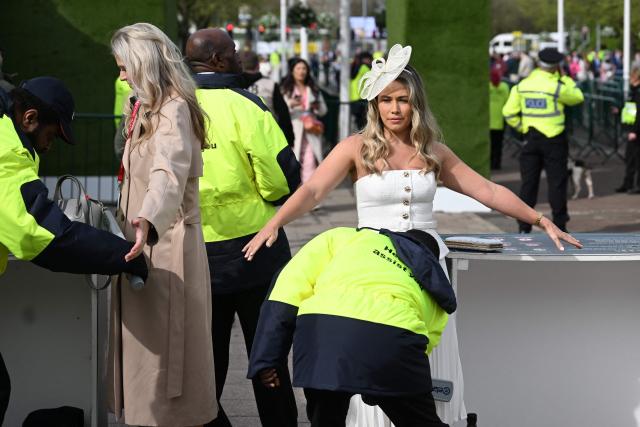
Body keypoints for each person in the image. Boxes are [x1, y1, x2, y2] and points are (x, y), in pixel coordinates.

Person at [243, 44, 583, 426]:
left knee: (421, 359)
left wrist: (541, 219)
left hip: (424, 269)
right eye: (386, 99)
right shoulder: (355, 148)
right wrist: (274, 221)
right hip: (370, 265)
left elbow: (487, 191)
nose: (394, 108)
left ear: (415, 103)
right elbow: (312, 191)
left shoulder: (434, 151)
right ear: (374, 104)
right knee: (371, 346)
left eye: (402, 100)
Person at [0, 77, 148, 425]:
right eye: (51, 136)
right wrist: (124, 255)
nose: (49, 148)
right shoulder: (8, 152)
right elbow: (39, 234)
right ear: (30, 118)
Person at [184, 28, 300, 427]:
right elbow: (281, 180)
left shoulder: (171, 107)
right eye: (232, 52)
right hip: (256, 250)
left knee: (207, 362)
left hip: (197, 254)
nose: (238, 57)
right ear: (217, 60)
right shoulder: (248, 106)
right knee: (267, 356)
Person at [109, 23, 216, 427]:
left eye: (124, 68)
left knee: (166, 371)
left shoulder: (173, 109)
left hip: (166, 250)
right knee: (147, 368)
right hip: (144, 244)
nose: (120, 77)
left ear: (145, 64)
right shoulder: (146, 105)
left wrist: (147, 219)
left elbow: (167, 172)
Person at [248, 227, 453, 427]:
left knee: (326, 420)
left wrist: (266, 358)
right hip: (393, 340)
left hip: (323, 334)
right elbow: (425, 344)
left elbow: (285, 292)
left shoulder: (341, 237)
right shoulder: (434, 287)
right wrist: (378, 385)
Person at [503, 47, 585, 233]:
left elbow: (508, 112)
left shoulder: (523, 85)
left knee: (528, 183)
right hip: (554, 140)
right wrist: (564, 77)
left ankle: (524, 227)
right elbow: (578, 97)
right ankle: (560, 225)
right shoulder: (557, 86)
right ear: (556, 66)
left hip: (530, 139)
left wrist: (522, 127)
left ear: (539, 64)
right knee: (557, 183)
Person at [281, 57, 327, 183]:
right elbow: (281, 110)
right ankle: (296, 193)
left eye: (304, 68)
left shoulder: (313, 89)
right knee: (293, 163)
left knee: (310, 161)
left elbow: (324, 110)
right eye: (298, 68)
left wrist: (316, 107)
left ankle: (308, 194)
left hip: (311, 129)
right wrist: (290, 104)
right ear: (292, 71)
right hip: (294, 130)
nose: (302, 71)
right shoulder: (287, 89)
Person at [239, 49, 295, 146]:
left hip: (241, 139)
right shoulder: (270, 85)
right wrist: (289, 140)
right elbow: (283, 114)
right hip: (268, 139)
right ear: (258, 65)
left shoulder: (232, 86)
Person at [616, 66, 640, 194]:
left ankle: (635, 185)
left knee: (635, 159)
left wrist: (634, 131)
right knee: (630, 158)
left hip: (636, 131)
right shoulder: (634, 92)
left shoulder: (638, 92)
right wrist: (619, 112)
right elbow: (631, 109)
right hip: (633, 128)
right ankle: (628, 183)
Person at [489, 68, 510, 170]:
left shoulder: (488, 87)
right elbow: (507, 100)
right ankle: (497, 164)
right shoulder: (504, 87)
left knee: (490, 144)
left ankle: (490, 163)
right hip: (499, 120)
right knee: (498, 144)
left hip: (489, 121)